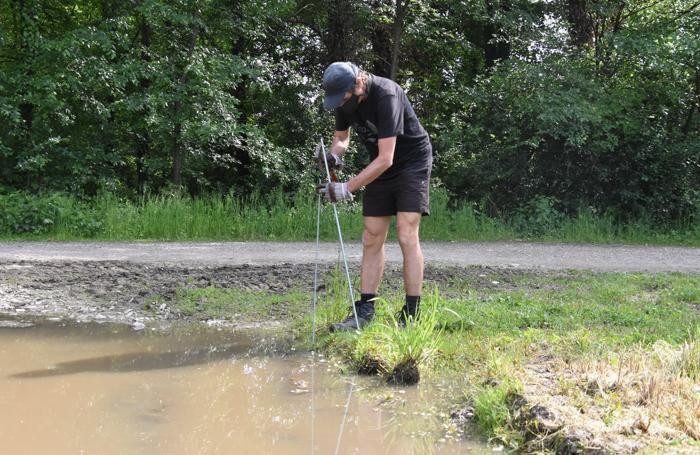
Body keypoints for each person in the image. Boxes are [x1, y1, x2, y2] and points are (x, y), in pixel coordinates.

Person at [317, 61, 433, 331]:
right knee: (372, 235)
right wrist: (333, 156)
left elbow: (386, 158)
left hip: (411, 163)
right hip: (380, 165)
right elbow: (342, 138)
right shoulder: (343, 100)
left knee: (406, 232)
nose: (341, 103)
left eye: (344, 96)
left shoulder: (386, 95)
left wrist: (347, 188)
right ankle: (365, 310)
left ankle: (412, 313)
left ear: (357, 84)